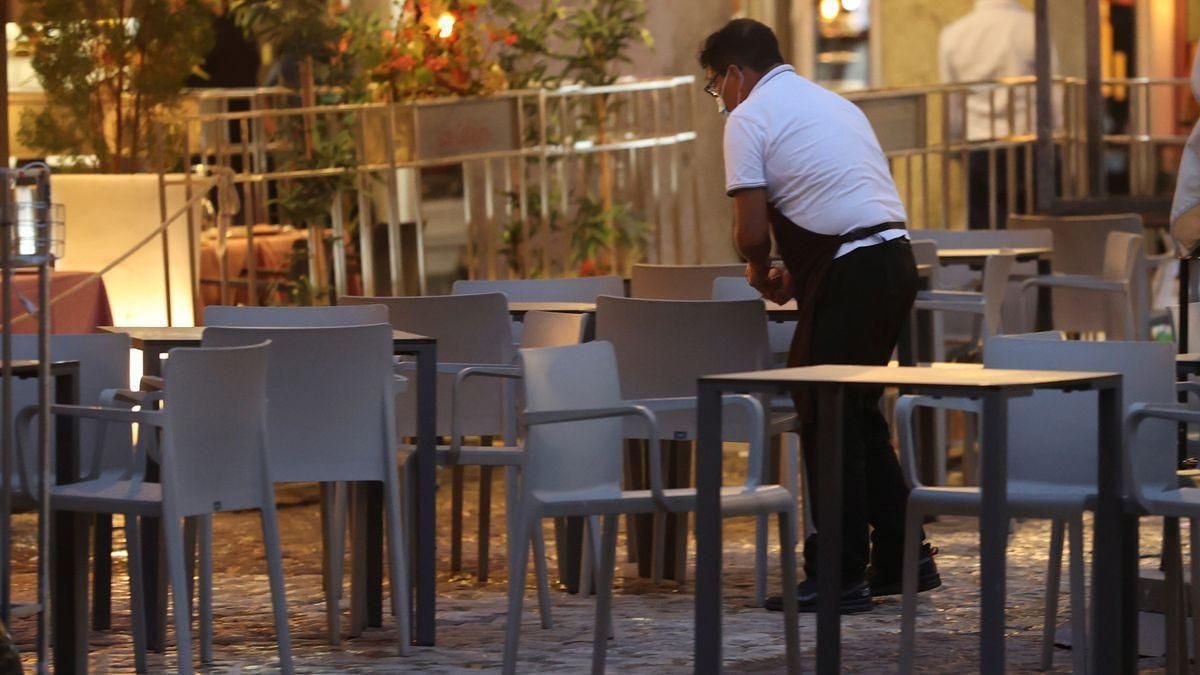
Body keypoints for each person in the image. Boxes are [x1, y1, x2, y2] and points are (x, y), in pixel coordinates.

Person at [699, 18, 940, 613]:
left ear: (734, 73)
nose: (719, 100)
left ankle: (839, 572)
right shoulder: (833, 103)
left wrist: (759, 272)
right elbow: (836, 202)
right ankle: (902, 557)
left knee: (822, 411)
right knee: (853, 412)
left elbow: (751, 230)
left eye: (715, 86)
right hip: (893, 261)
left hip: (852, 268)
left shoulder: (749, 116)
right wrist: (798, 273)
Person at [939, 0, 1053, 229]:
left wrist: (953, 143)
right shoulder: (1033, 28)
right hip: (1027, 143)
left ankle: (985, 264)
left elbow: (953, 102)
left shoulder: (954, 34)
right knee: (1031, 229)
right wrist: (1056, 140)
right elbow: (1052, 93)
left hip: (978, 145)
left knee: (984, 228)